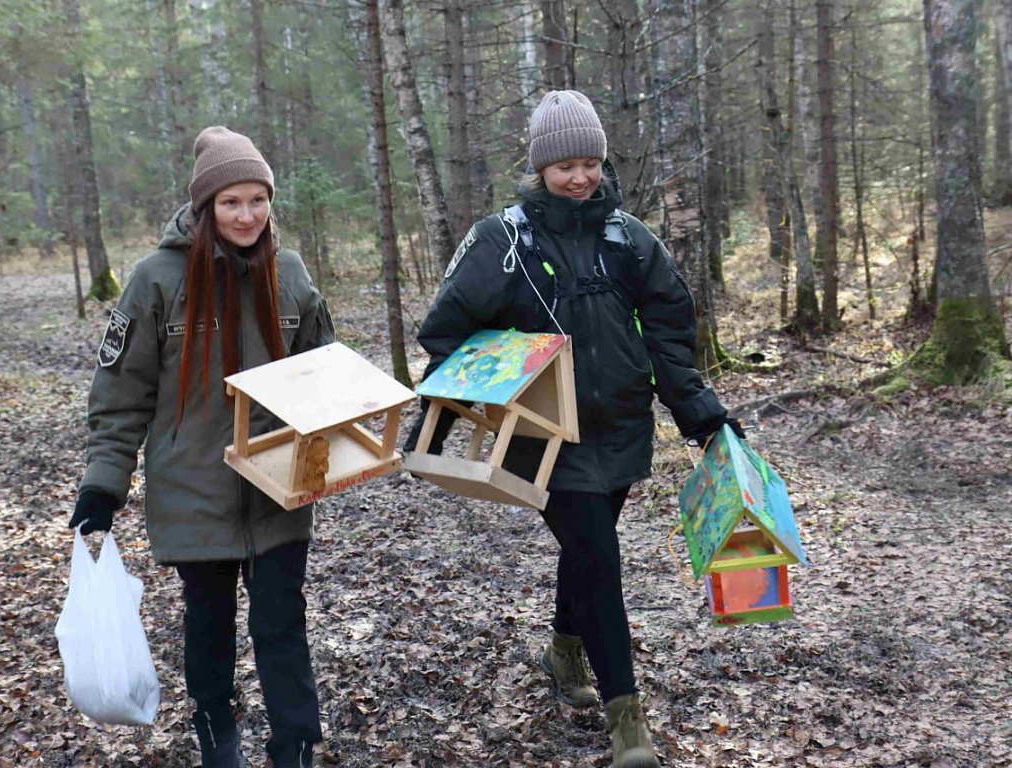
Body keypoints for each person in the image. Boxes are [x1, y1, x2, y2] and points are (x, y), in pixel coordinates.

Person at [406, 91, 743, 768]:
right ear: (539, 168)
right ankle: (628, 723)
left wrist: (698, 413)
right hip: (544, 437)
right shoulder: (503, 241)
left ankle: (563, 654)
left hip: (621, 426)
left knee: (589, 556)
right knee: (601, 561)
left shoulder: (628, 237)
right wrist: (458, 413)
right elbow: (446, 334)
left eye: (590, 162)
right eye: (564, 165)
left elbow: (673, 333)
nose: (580, 177)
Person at [68, 126, 334, 768]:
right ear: (205, 207)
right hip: (193, 489)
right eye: (231, 203)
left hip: (279, 485)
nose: (246, 216)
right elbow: (119, 392)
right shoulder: (157, 279)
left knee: (281, 624)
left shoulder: (289, 273)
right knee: (208, 626)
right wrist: (104, 482)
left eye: (257, 201)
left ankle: (293, 746)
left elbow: (327, 375)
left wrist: (331, 451)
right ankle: (219, 739)